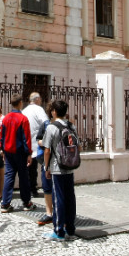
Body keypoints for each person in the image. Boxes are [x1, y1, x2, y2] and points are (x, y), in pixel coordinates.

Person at [42, 99, 76, 240]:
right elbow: (77, 147)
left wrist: (46, 167)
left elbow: (47, 150)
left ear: (54, 111)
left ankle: (58, 231)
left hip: (57, 168)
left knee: (58, 198)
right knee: (70, 198)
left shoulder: (51, 127)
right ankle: (70, 229)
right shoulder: (71, 126)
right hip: (69, 167)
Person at [0, 94, 34, 213]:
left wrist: (2, 149)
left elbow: (2, 136)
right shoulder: (23, 119)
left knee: (9, 176)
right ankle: (26, 202)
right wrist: (29, 153)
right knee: (23, 177)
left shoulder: (6, 118)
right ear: (20, 103)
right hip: (20, 152)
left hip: (8, 151)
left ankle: (5, 203)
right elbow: (26, 138)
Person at [22, 92, 49, 197]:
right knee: (39, 168)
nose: (41, 101)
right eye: (40, 99)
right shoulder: (39, 110)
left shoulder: (24, 110)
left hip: (27, 144)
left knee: (28, 169)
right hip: (37, 144)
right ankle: (34, 189)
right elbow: (46, 123)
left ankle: (28, 189)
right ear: (37, 99)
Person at [35, 102, 55, 226]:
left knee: (57, 188)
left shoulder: (66, 125)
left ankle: (57, 213)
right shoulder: (46, 124)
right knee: (47, 188)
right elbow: (39, 141)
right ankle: (49, 213)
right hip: (48, 161)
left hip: (58, 162)